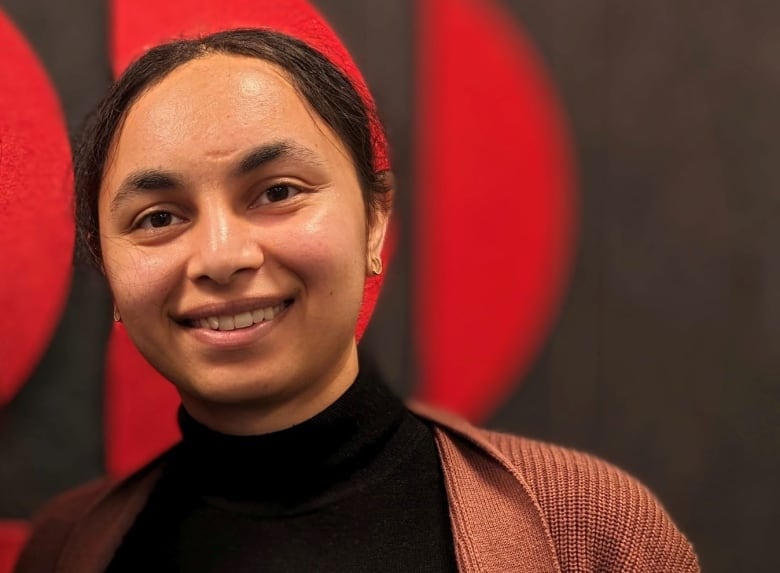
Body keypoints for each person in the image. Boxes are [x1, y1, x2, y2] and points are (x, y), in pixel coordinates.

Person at [15, 21, 699, 573]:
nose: (222, 257)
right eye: (159, 217)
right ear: (106, 264)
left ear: (375, 219)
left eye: (277, 192)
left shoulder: (584, 530)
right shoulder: (65, 549)